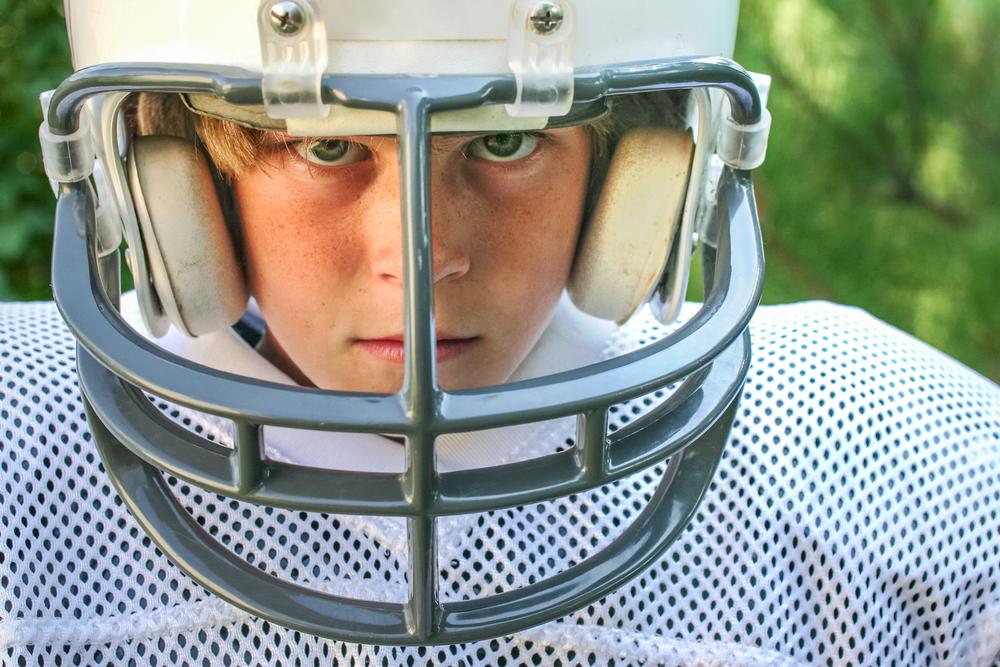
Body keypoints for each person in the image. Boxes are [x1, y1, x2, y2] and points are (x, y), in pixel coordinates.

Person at [3, 0, 998, 664]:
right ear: (167, 175)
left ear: (644, 173)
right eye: (326, 143)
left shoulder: (883, 460)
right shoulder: (24, 467)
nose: (424, 254)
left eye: (506, 140)